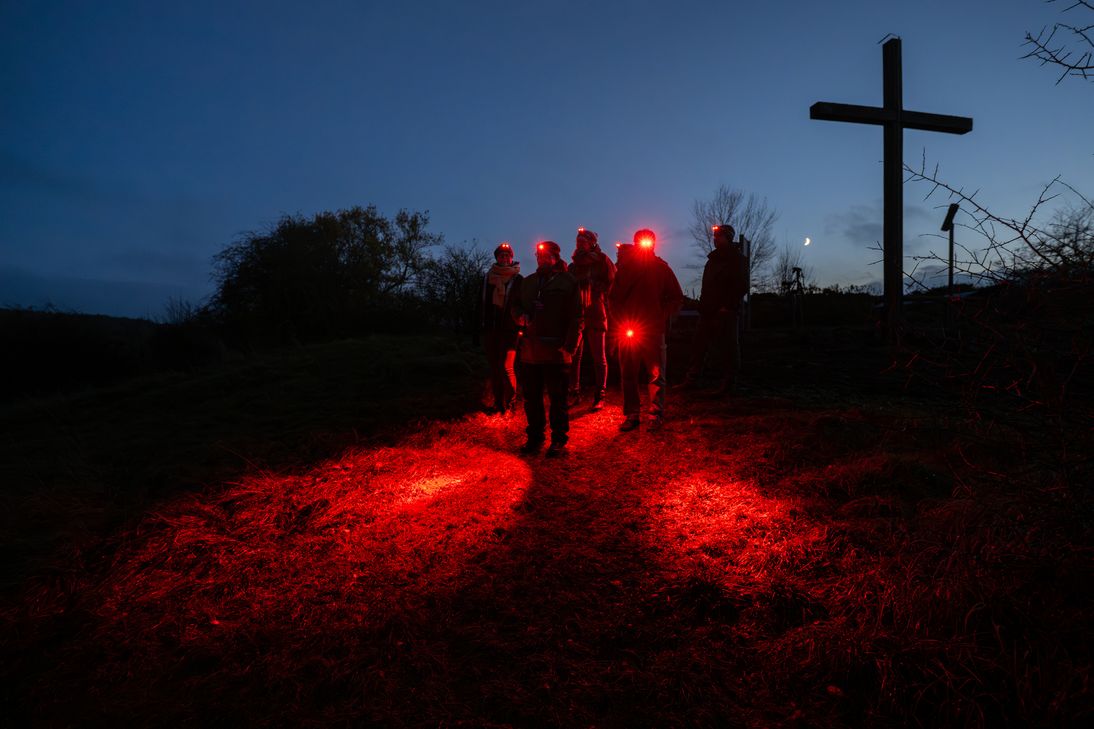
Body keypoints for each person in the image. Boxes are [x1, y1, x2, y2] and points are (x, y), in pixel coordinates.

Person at [511, 241, 583, 457]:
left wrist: (570, 346)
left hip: (557, 353)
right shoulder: (528, 282)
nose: (541, 259)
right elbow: (516, 305)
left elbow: (577, 316)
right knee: (531, 399)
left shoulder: (568, 282)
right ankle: (535, 437)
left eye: (546, 256)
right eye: (538, 256)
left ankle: (559, 440)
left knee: (558, 399)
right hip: (531, 351)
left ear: (556, 257)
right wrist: (519, 316)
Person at [608, 229, 684, 432]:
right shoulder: (625, 269)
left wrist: (661, 315)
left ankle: (655, 414)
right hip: (629, 329)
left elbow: (676, 297)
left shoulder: (661, 269)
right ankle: (632, 414)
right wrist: (620, 320)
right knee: (628, 373)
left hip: (652, 329)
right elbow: (613, 298)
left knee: (656, 374)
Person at [678, 224, 749, 395]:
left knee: (728, 348)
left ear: (728, 237)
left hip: (725, 313)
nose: (715, 239)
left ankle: (728, 383)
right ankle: (692, 379)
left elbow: (741, 286)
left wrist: (727, 307)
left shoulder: (736, 259)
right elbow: (707, 286)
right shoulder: (712, 260)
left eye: (719, 236)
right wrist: (703, 304)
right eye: (715, 236)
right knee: (698, 346)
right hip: (708, 311)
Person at [567, 228, 615, 410]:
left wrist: (597, 289)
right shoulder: (573, 266)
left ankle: (600, 394)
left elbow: (613, 282)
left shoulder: (602, 261)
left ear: (592, 243)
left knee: (598, 357)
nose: (580, 243)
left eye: (584, 241)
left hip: (596, 312)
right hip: (578, 315)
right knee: (574, 356)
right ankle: (574, 392)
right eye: (578, 241)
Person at [480, 242, 523, 413]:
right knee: (495, 368)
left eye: (507, 255)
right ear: (497, 258)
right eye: (501, 255)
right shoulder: (488, 278)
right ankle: (499, 403)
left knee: (507, 367)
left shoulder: (518, 279)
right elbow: (481, 302)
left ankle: (511, 401)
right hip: (492, 329)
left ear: (512, 257)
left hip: (510, 331)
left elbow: (522, 303)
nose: (504, 258)